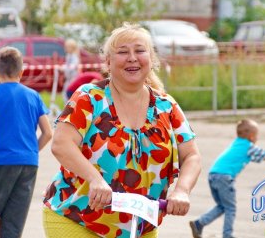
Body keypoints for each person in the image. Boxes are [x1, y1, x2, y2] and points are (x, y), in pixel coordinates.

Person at [42, 23, 202, 238]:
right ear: (108, 62)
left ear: (151, 60)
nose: (132, 58)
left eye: (139, 50)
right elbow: (61, 145)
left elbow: (191, 155)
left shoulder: (166, 106)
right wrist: (95, 179)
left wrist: (182, 191)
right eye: (122, 52)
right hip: (77, 218)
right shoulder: (90, 97)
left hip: (139, 226)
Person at [0, 47, 53, 238]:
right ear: (21, 72)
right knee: (14, 223)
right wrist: (31, 151)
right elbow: (48, 133)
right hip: (29, 163)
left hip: (3, 161)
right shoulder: (34, 96)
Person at [189, 119, 265, 238]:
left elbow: (256, 157)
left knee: (222, 206)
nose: (257, 138)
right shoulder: (248, 146)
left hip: (213, 175)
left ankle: (199, 224)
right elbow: (263, 153)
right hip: (224, 177)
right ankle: (228, 235)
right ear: (252, 137)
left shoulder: (238, 143)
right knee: (230, 208)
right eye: (257, 136)